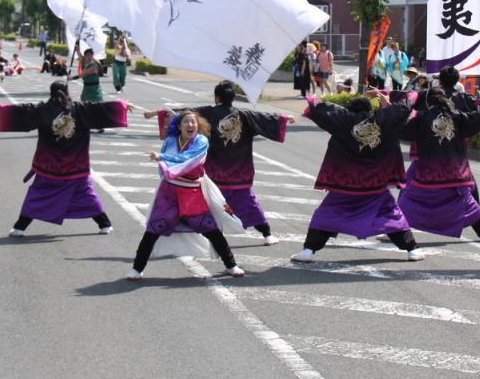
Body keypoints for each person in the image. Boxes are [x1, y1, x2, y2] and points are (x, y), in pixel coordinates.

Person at [145, 81, 294, 245]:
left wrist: (155, 113)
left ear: (216, 98)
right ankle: (266, 234)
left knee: (204, 206)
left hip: (213, 172)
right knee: (249, 204)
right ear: (233, 97)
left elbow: (181, 113)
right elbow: (268, 119)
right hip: (239, 172)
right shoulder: (245, 115)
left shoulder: (206, 113)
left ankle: (202, 237)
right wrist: (285, 118)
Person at [0, 81, 128, 237]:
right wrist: (121, 106)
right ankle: (104, 224)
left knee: (37, 195)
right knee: (86, 195)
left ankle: (20, 227)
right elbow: (102, 109)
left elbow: (23, 111)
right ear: (67, 92)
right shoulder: (80, 109)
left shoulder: (42, 110)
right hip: (76, 164)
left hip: (49, 164)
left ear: (51, 92)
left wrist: (0, 108)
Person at [290, 94, 421, 262]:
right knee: (391, 215)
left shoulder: (342, 119)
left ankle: (309, 251)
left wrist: (312, 96)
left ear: (349, 109)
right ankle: (412, 250)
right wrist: (396, 97)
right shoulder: (384, 120)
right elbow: (406, 104)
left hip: (346, 183)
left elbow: (316, 106)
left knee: (326, 214)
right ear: (370, 109)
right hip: (376, 183)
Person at [128, 109, 245, 280]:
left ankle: (231, 265)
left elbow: (189, 158)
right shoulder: (170, 141)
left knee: (210, 229)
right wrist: (164, 163)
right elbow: (163, 168)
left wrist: (162, 157)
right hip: (168, 193)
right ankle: (137, 269)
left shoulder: (201, 141)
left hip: (192, 192)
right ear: (179, 126)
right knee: (153, 229)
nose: (191, 125)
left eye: (194, 122)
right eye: (186, 122)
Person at [397, 84, 480, 244]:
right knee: (467, 203)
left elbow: (403, 130)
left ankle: (398, 232)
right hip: (455, 171)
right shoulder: (457, 116)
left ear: (428, 102)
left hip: (430, 172)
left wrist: (398, 110)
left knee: (407, 201)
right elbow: (477, 120)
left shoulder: (421, 118)